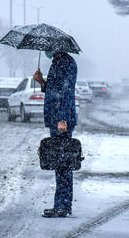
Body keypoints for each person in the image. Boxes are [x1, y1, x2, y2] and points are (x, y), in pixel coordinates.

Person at [33, 50, 78, 218]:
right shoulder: (57, 62)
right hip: (56, 120)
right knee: (59, 164)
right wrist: (41, 82)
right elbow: (53, 90)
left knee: (63, 164)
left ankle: (64, 206)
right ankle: (59, 204)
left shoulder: (66, 63)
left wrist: (63, 119)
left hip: (61, 121)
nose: (46, 51)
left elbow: (66, 91)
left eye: (49, 47)